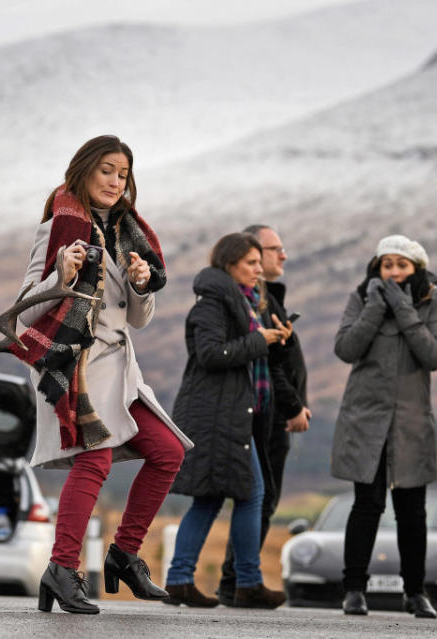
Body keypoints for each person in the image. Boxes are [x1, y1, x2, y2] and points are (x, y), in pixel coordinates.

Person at [10, 135, 193, 615]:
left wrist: (140, 285)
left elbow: (138, 319)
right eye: (107, 170)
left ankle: (125, 554)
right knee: (95, 460)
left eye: (123, 174)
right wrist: (62, 277)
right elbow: (23, 315)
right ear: (85, 171)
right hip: (75, 366)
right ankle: (62, 567)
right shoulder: (58, 227)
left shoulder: (131, 234)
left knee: (168, 451)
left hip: (120, 366)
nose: (115, 181)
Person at [165, 232, 292, 609]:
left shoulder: (238, 303)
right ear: (230, 263)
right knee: (247, 494)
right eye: (251, 263)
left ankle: (182, 579)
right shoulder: (212, 306)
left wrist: (274, 340)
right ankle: (244, 581)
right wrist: (259, 342)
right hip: (214, 417)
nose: (258, 270)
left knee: (217, 497)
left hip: (229, 415)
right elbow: (210, 354)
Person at [332, 234, 437, 619]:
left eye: (402, 264)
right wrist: (374, 309)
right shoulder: (362, 297)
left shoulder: (433, 299)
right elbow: (346, 349)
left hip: (411, 422)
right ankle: (354, 591)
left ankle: (416, 594)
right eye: (387, 264)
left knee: (412, 511)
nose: (394, 271)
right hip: (366, 419)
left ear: (417, 267)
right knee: (366, 505)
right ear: (377, 267)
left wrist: (404, 310)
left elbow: (434, 355)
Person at [217, 224, 310, 605]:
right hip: (265, 413)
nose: (281, 256)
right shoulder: (254, 301)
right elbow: (268, 363)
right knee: (260, 496)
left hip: (272, 412)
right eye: (273, 250)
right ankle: (238, 583)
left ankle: (236, 582)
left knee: (260, 497)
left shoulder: (270, 297)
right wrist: (293, 406)